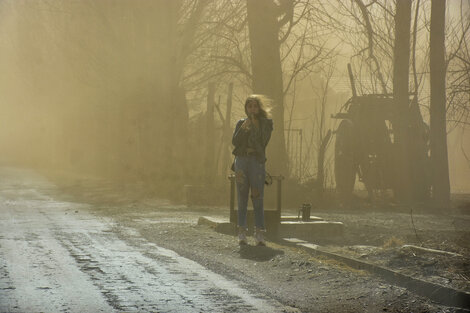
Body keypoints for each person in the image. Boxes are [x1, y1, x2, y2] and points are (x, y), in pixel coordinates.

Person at [232, 95, 273, 246]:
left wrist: (255, 126)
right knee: (242, 197)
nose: (252, 109)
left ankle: (259, 232)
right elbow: (235, 142)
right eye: (249, 107)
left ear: (259, 108)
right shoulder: (241, 123)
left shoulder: (266, 124)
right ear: (246, 108)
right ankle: (242, 231)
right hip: (241, 161)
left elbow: (263, 142)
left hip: (256, 162)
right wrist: (244, 128)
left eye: (255, 106)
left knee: (257, 197)